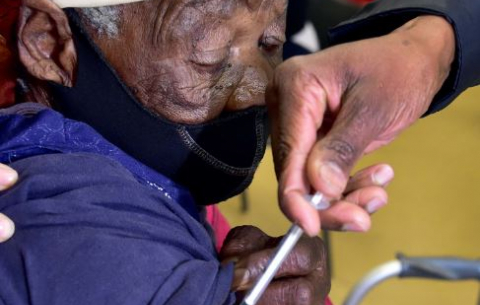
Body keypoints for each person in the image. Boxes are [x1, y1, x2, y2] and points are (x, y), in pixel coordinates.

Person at [0, 0, 389, 304]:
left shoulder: (137, 178)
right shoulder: (75, 226)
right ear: (47, 42)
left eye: (270, 43)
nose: (260, 88)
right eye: (211, 58)